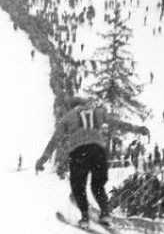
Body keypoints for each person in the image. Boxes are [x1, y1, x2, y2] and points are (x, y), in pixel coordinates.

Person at [35, 97, 112, 226]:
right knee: (98, 185)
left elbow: (55, 140)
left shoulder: (68, 117)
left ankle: (85, 217)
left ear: (71, 106)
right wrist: (138, 129)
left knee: (78, 186)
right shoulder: (97, 112)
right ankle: (105, 213)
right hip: (98, 150)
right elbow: (117, 121)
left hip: (79, 152)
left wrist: (43, 159)